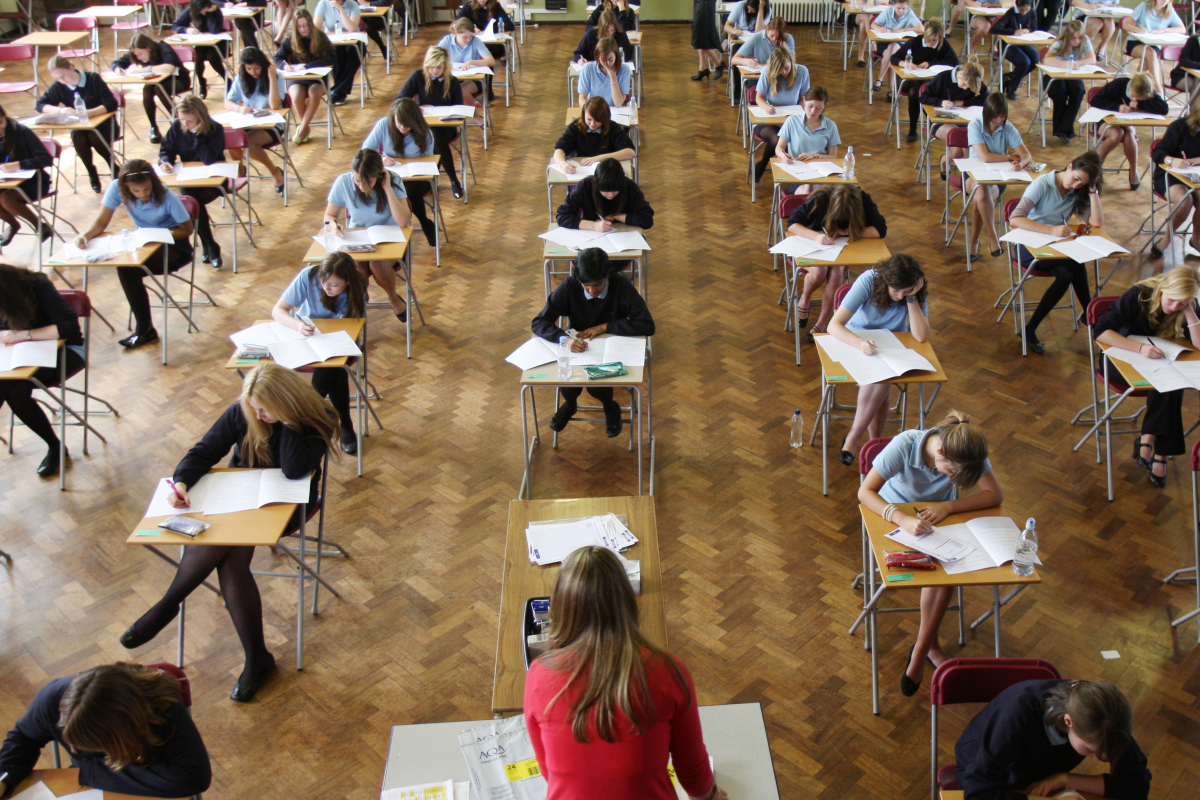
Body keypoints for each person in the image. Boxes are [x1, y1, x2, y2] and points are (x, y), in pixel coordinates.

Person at [118, 362, 338, 702]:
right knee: (231, 559)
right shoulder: (244, 411)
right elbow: (204, 451)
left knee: (227, 551)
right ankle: (256, 657)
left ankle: (168, 605)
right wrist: (181, 484)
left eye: (265, 409)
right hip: (237, 494)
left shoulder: (320, 416)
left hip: (287, 503)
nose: (258, 416)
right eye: (254, 408)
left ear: (287, 402)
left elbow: (295, 470)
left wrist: (289, 421)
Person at [524, 547, 725, 800]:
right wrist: (712, 796)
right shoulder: (667, 670)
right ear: (626, 601)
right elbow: (693, 774)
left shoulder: (539, 675)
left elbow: (548, 770)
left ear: (561, 607)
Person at [857, 411, 1003, 696]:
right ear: (941, 451)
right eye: (951, 474)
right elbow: (865, 492)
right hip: (890, 522)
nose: (951, 481)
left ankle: (921, 649)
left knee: (949, 572)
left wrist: (948, 506)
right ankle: (927, 648)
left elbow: (994, 494)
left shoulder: (968, 450)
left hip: (935, 523)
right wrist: (902, 519)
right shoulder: (905, 444)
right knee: (942, 573)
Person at [0, 663, 212, 797]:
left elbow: (193, 776)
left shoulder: (160, 705)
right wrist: (3, 778)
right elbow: (23, 737)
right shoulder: (52, 699)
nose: (75, 749)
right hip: (92, 783)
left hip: (145, 776)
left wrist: (89, 771)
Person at [955, 679, 1151, 800]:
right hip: (985, 772)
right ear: (1069, 721)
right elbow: (979, 792)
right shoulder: (1017, 717)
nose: (1098, 758)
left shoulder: (1107, 718)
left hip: (1035, 775)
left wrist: (1065, 779)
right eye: (1091, 750)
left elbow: (1136, 786)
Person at [531, 248, 655, 436]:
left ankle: (610, 405)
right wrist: (566, 339)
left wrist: (606, 327)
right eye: (586, 286)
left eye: (597, 285)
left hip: (613, 347)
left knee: (595, 382)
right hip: (579, 347)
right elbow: (539, 322)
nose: (592, 290)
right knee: (567, 378)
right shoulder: (570, 285)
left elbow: (647, 325)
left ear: (607, 275)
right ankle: (570, 404)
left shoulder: (620, 285)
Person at [73, 159, 195, 350]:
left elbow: (187, 230)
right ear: (126, 187)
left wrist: (157, 235)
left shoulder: (167, 196)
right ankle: (145, 328)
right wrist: (85, 235)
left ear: (153, 183)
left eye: (146, 189)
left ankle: (144, 328)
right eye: (136, 191)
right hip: (142, 243)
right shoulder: (117, 188)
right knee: (126, 267)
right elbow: (101, 221)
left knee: (128, 269)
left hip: (173, 246)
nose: (142, 194)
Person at [1095, 266, 1200, 488]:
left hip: (1156, 362)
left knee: (1172, 384)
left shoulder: (1186, 304)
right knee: (1170, 385)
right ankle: (1158, 452)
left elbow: (1198, 344)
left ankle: (1149, 442)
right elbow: (1101, 331)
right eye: (1172, 299)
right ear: (1163, 288)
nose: (1175, 307)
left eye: (1182, 303)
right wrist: (1140, 348)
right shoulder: (1139, 294)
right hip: (1120, 357)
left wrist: (1190, 311)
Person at [828, 255, 930, 464]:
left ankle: (862, 439)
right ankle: (864, 438)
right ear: (886, 281)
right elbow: (834, 325)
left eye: (907, 291)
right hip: (855, 340)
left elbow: (921, 336)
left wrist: (912, 298)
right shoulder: (869, 280)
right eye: (896, 291)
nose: (900, 297)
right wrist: (860, 344)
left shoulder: (914, 293)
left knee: (883, 378)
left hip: (890, 346)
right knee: (884, 379)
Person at [1009, 151, 1103, 354]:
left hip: (1054, 247)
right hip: (1028, 246)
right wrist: (1050, 229)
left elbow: (1095, 222)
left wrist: (1093, 190)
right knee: (1075, 262)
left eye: (1083, 183)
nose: (1076, 185)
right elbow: (1015, 219)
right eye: (1076, 178)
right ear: (1069, 167)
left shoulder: (1077, 191)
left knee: (1067, 273)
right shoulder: (1043, 184)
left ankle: (1030, 329)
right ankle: (1091, 314)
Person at [272, 253, 366, 453]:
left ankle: (308, 413)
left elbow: (350, 327)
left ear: (348, 282)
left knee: (332, 366)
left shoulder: (358, 285)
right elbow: (278, 310)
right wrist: (298, 325)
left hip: (340, 340)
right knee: (334, 371)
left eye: (334, 285)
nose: (326, 288)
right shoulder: (308, 276)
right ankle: (344, 422)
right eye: (323, 282)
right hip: (305, 336)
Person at [0, 264, 83, 478]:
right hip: (16, 357)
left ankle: (55, 448)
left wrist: (22, 335)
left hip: (65, 350)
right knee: (17, 392)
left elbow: (68, 328)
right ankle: (55, 446)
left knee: (7, 386)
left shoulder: (37, 285)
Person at [324, 149, 414, 323]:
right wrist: (333, 225)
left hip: (390, 240)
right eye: (358, 181)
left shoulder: (393, 180)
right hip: (359, 241)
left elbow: (403, 220)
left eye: (369, 182)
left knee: (377, 265)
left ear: (379, 175)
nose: (362, 187)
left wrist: (387, 188)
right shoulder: (343, 182)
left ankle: (393, 297)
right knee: (356, 267)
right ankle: (359, 300)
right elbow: (329, 216)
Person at [786, 185, 887, 338]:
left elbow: (880, 229)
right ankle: (804, 299)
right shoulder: (820, 199)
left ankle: (822, 323)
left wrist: (847, 232)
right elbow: (793, 224)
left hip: (839, 249)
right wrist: (816, 236)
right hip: (812, 245)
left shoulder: (862, 199)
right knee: (819, 272)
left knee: (836, 276)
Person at [158, 94, 226, 269]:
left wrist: (197, 135)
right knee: (191, 198)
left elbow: (209, 158)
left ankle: (208, 244)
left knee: (191, 201)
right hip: (188, 178)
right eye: (182, 120)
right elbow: (166, 149)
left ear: (200, 118)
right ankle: (210, 244)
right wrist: (165, 161)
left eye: (189, 121)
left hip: (215, 180)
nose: (185, 124)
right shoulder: (178, 126)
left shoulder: (215, 129)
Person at [361, 96, 440, 246]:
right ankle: (390, 227)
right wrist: (380, 158)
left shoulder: (425, 133)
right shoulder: (384, 125)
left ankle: (424, 222)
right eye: (399, 122)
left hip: (417, 179)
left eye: (407, 123)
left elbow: (428, 161)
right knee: (387, 188)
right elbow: (366, 150)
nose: (403, 126)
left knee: (407, 190)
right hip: (390, 176)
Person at [35, 54, 118, 194]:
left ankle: (113, 166)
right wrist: (60, 110)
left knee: (94, 136)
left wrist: (91, 113)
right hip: (81, 126)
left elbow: (111, 103)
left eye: (63, 75)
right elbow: (40, 104)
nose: (62, 80)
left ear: (71, 67)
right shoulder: (59, 86)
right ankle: (91, 171)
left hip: (105, 124)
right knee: (78, 137)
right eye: (57, 78)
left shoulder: (93, 79)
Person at [964, 93, 1032, 261]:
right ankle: (993, 237)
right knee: (981, 190)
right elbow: (985, 157)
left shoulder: (1008, 127)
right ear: (987, 113)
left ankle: (974, 242)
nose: (999, 120)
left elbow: (1027, 155)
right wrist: (1009, 157)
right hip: (972, 176)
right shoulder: (975, 125)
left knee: (980, 198)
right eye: (995, 116)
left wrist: (1021, 163)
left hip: (997, 179)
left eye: (1002, 116)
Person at [397, 46, 466, 198]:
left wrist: (447, 114)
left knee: (435, 136)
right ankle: (453, 180)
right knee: (433, 136)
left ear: (445, 66)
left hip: (446, 126)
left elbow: (459, 109)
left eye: (439, 67)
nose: (434, 71)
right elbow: (400, 100)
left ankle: (446, 179)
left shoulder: (453, 81)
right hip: (422, 126)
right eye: (431, 67)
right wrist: (415, 107)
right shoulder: (418, 76)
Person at [224, 46, 286, 195]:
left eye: (257, 68)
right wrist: (240, 108)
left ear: (263, 65)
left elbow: (275, 105)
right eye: (249, 69)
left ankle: (274, 171)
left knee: (249, 143)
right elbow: (228, 102)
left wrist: (271, 77)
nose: (253, 72)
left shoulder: (276, 77)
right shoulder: (242, 78)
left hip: (272, 124)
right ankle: (240, 169)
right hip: (249, 122)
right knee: (230, 138)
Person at [109, 33, 190, 145]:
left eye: (140, 54)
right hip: (157, 82)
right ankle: (153, 126)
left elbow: (170, 67)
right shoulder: (137, 53)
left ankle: (179, 121)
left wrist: (148, 69)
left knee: (158, 88)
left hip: (179, 80)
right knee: (147, 89)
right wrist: (117, 69)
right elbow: (116, 63)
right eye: (136, 55)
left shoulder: (163, 47)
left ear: (148, 48)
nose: (138, 57)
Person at [1091, 73, 1168, 190]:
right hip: (1105, 120)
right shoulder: (1119, 84)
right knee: (1116, 134)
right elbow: (1095, 100)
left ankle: (1133, 169)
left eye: (1139, 99)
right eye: (1133, 96)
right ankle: (1096, 167)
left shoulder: (1147, 90)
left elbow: (1164, 108)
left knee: (1129, 135)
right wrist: (1118, 107)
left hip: (1126, 122)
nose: (1134, 99)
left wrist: (1141, 103)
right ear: (1130, 86)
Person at [274, 9, 333, 145]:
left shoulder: (320, 36)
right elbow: (278, 58)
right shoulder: (290, 39)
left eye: (305, 25)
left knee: (313, 92)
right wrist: (285, 66)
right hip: (298, 76)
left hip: (317, 76)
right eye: (299, 26)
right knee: (296, 95)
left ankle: (302, 129)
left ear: (310, 24)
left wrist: (309, 66)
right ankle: (305, 127)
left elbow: (332, 57)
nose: (303, 29)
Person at [1150, 95, 1200, 257]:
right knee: (1186, 201)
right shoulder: (1180, 126)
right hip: (1169, 174)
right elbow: (1158, 152)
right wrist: (1172, 160)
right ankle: (1167, 239)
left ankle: (1196, 239)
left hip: (1195, 175)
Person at [556, 157, 654, 239]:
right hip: (590, 235)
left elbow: (647, 220)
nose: (610, 195)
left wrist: (616, 216)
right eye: (605, 191)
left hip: (623, 236)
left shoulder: (630, 187)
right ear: (596, 182)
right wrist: (594, 225)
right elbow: (562, 216)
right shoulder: (585, 186)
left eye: (615, 191)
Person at [752, 46, 810, 182]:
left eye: (787, 68)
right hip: (770, 119)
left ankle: (797, 175)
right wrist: (767, 107)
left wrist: (802, 111)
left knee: (798, 141)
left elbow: (803, 99)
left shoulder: (802, 71)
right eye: (780, 70)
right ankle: (764, 162)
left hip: (790, 119)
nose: (784, 72)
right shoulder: (767, 71)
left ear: (791, 62)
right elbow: (759, 97)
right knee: (777, 139)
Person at [0, 105, 53, 246]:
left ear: (5, 116)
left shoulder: (22, 132)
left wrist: (19, 165)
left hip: (35, 182)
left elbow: (46, 159)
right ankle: (13, 224)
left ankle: (40, 226)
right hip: (7, 182)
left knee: (6, 199)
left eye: (0, 123)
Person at [890, 20, 958, 128]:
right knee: (919, 87)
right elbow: (894, 58)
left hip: (927, 81)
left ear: (940, 37)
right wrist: (905, 63)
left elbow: (954, 62)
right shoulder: (915, 41)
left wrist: (931, 63)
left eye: (934, 40)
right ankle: (932, 123)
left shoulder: (943, 44)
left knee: (914, 92)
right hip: (906, 80)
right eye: (928, 39)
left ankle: (913, 129)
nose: (930, 43)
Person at [774, 85, 840, 194]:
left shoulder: (831, 125)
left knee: (822, 191)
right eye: (810, 106)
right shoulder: (792, 121)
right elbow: (779, 148)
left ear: (824, 106)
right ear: (804, 100)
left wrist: (815, 155)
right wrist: (784, 156)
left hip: (822, 172)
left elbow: (833, 156)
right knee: (808, 191)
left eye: (818, 108)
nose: (813, 111)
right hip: (797, 173)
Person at [1044, 21, 1097, 143]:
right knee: (1060, 91)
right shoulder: (1059, 42)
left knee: (1079, 90)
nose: (1077, 41)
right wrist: (1063, 64)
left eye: (1079, 38)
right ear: (1068, 36)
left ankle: (1063, 128)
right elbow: (1047, 59)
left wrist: (1077, 63)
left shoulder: (1085, 40)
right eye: (1074, 38)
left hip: (1071, 73)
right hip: (1053, 74)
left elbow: (1092, 59)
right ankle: (1064, 129)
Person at [552, 96, 636, 173]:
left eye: (598, 121)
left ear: (605, 119)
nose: (592, 124)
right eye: (589, 119)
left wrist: (598, 158)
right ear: (583, 115)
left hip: (606, 171)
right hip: (580, 170)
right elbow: (559, 150)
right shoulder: (575, 127)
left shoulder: (612, 127)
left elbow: (631, 152)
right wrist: (562, 164)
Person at [1121, 0, 1185, 96]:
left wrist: (1164, 30)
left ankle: (1135, 88)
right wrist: (1138, 29)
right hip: (1136, 42)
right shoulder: (1144, 6)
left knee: (1146, 63)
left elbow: (1182, 29)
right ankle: (1158, 88)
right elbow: (1125, 24)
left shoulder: (1169, 10)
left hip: (1154, 44)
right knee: (1150, 54)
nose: (1164, 1)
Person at [916, 60, 986, 146]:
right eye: (964, 84)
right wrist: (941, 102)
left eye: (969, 87)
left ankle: (949, 156)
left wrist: (964, 102)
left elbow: (986, 100)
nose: (965, 88)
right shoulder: (943, 77)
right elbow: (924, 97)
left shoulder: (974, 80)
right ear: (961, 74)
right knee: (962, 137)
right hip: (940, 121)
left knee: (962, 144)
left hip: (964, 120)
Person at [171, 0, 226, 99]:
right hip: (202, 43)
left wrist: (210, 12)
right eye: (201, 9)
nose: (203, 11)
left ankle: (226, 79)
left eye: (205, 8)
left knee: (211, 55)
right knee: (198, 56)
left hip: (218, 43)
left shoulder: (215, 11)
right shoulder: (191, 11)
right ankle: (201, 82)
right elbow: (175, 26)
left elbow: (214, 30)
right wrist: (186, 29)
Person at [729, 17, 794, 101]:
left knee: (788, 89)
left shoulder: (787, 38)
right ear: (767, 29)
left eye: (778, 37)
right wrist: (748, 61)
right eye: (772, 35)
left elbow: (793, 62)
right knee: (759, 92)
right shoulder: (756, 38)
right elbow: (734, 59)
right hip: (759, 76)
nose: (774, 39)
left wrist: (785, 48)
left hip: (780, 75)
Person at [312, 0, 362, 107]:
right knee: (334, 52)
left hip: (354, 41)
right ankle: (340, 92)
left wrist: (340, 8)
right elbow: (315, 27)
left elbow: (352, 28)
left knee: (352, 51)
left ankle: (338, 90)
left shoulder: (352, 4)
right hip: (333, 42)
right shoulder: (323, 3)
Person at [439, 17, 495, 107]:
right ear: (456, 33)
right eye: (465, 37)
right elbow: (434, 58)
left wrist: (472, 62)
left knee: (462, 91)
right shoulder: (447, 41)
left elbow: (491, 61)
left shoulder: (475, 41)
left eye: (470, 36)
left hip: (474, 79)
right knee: (441, 91)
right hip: (454, 78)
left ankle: (474, 114)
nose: (468, 40)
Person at [872, 0, 925, 94]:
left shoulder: (909, 13)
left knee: (893, 49)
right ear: (894, 5)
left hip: (900, 44)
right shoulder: (888, 11)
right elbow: (873, 24)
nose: (901, 11)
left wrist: (903, 30)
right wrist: (880, 28)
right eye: (898, 8)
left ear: (907, 6)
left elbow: (921, 28)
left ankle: (880, 79)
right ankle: (891, 90)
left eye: (903, 8)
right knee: (892, 51)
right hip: (885, 43)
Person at [992, 0, 1040, 100]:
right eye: (1022, 10)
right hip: (1007, 45)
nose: (1024, 12)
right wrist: (1013, 31)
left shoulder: (1032, 12)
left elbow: (1034, 27)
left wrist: (1028, 30)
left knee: (1036, 59)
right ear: (1017, 6)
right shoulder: (1011, 13)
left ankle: (1009, 77)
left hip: (1023, 42)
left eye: (1027, 9)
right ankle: (1012, 88)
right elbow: (995, 28)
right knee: (1024, 62)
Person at [577, 36, 631, 108]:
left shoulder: (624, 70)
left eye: (610, 59)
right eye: (603, 59)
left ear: (616, 56)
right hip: (593, 109)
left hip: (613, 110)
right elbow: (582, 99)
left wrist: (613, 76)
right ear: (598, 57)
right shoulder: (587, 68)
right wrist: (591, 110)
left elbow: (618, 103)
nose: (607, 63)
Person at [692, 0, 722, 81]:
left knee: (699, 36)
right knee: (701, 35)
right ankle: (702, 68)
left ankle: (718, 63)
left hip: (705, 3)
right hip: (700, 2)